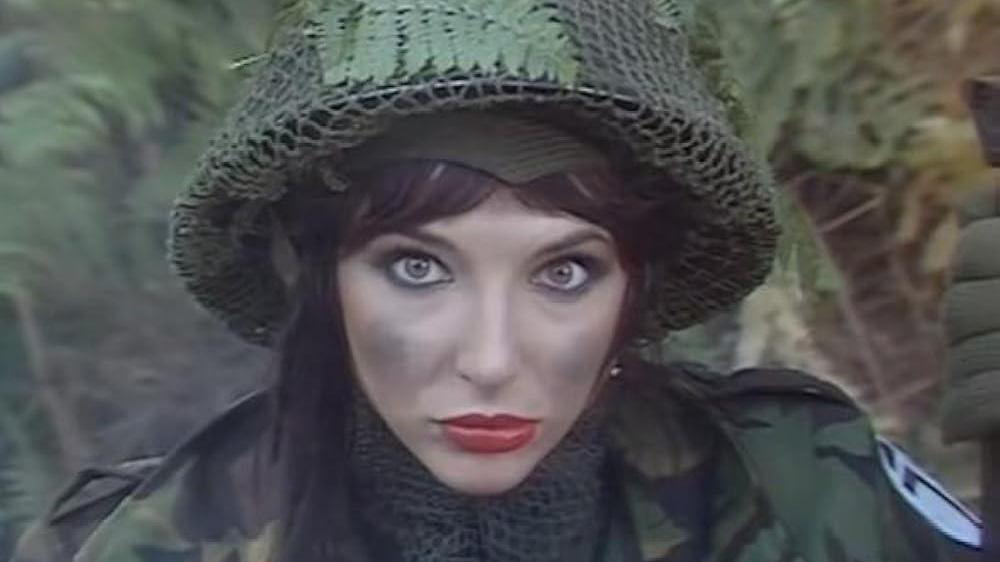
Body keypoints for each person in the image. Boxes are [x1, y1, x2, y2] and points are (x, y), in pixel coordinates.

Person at [8, 1, 985, 561]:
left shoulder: (802, 488)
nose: (490, 358)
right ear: (318, 278)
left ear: (632, 290)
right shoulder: (146, 541)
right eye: (417, 266)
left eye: (564, 270)